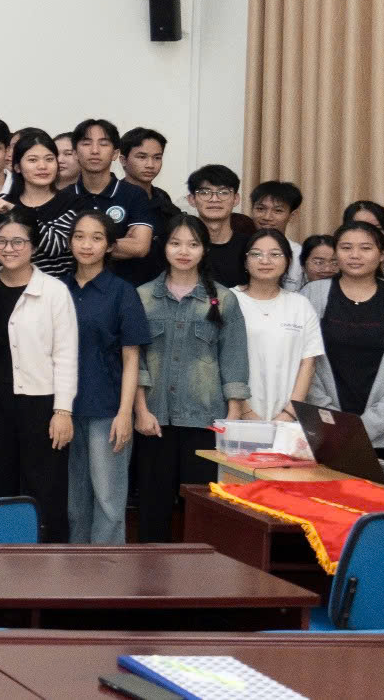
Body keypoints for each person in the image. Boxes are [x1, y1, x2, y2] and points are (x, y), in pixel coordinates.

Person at [129, 217, 247, 544]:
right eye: (176, 243)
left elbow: (234, 358)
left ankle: (200, 574)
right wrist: (141, 410)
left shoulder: (223, 299)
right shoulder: (142, 296)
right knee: (152, 507)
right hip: (155, 417)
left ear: (204, 250)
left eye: (193, 244)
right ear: (164, 247)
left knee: (203, 509)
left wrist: (233, 417)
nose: (184, 251)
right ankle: (150, 572)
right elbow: (134, 359)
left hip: (206, 419)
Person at [0, 211, 79, 542]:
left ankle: (49, 560)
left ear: (34, 246)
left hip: (41, 403)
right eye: (1, 241)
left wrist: (63, 410)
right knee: (0, 485)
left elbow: (66, 354)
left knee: (45, 488)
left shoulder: (53, 291)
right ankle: (2, 559)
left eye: (18, 241)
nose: (9, 248)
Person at [63, 211, 149, 544]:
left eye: (97, 238)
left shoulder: (122, 292)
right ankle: (76, 570)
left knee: (109, 501)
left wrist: (125, 413)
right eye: (79, 236)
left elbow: (132, 357)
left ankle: (109, 571)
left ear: (110, 246)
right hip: (65, 409)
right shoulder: (59, 289)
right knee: (74, 503)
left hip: (107, 409)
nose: (87, 245)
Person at [304, 220, 384, 465]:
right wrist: (334, 423)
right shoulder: (313, 294)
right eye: (346, 247)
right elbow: (304, 362)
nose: (355, 255)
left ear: (382, 255)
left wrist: (365, 427)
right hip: (325, 431)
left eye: (365, 248)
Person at [234, 230, 321, 421]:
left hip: (288, 417)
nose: (265, 260)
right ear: (245, 261)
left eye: (275, 254)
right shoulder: (230, 300)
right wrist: (246, 412)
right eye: (256, 254)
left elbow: (308, 363)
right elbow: (221, 361)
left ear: (288, 261)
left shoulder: (300, 305)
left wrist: (289, 413)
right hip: (237, 414)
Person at [70, 119, 162, 287]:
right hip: (73, 290)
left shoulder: (134, 194)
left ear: (115, 153)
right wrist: (117, 242)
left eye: (103, 144)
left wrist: (80, 244)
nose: (95, 150)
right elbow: (58, 247)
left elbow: (140, 246)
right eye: (87, 143)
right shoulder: (63, 197)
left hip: (123, 289)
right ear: (75, 153)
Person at [4, 128, 82, 282]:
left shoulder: (74, 203)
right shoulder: (4, 204)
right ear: (17, 167)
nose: (42, 166)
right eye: (33, 160)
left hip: (60, 289)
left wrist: (15, 211)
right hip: (14, 288)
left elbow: (55, 246)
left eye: (49, 159)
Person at [187, 164, 260, 288]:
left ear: (236, 199)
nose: (214, 199)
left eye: (223, 192)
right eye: (205, 192)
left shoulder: (251, 247)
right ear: (192, 199)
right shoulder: (182, 248)